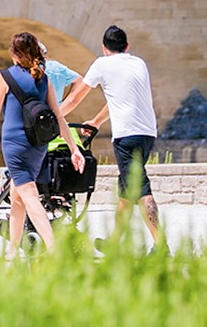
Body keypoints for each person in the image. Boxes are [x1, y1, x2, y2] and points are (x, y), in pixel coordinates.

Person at [0, 31, 85, 257]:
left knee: (29, 195)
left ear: (14, 54)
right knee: (17, 198)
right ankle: (13, 250)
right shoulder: (44, 79)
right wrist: (73, 148)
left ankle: (54, 250)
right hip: (38, 146)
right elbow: (58, 117)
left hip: (14, 144)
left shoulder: (4, 77)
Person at [60, 25, 163, 248]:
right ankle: (115, 243)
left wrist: (53, 116)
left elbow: (74, 100)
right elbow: (121, 99)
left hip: (126, 136)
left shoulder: (102, 64)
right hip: (147, 133)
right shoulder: (139, 63)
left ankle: (161, 245)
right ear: (127, 47)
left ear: (104, 48)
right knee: (126, 189)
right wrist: (96, 121)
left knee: (141, 188)